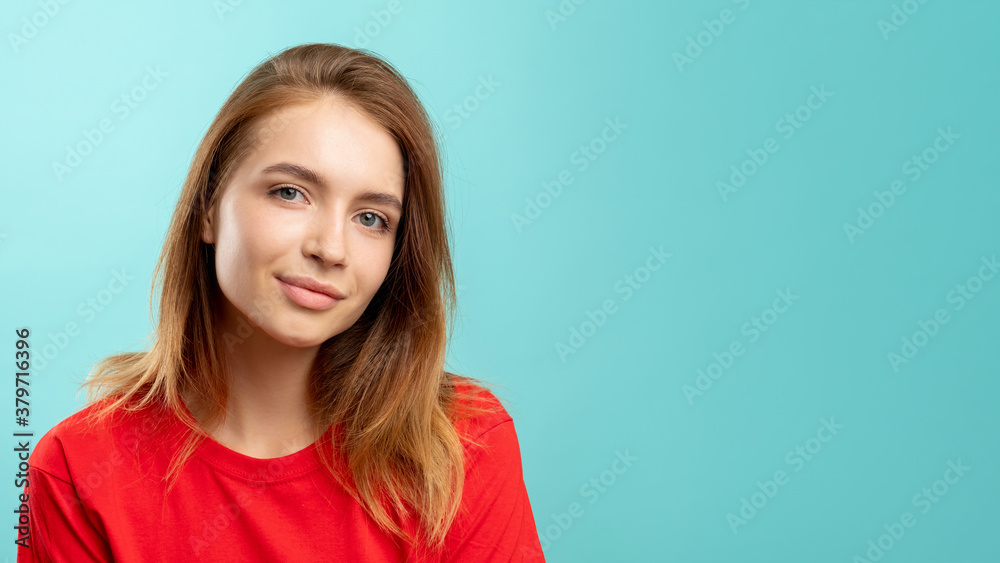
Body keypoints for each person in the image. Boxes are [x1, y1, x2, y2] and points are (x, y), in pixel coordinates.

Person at [18, 43, 546, 562]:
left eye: (371, 219)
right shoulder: (77, 471)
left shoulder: (464, 447)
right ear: (208, 207)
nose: (330, 249)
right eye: (290, 192)